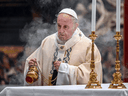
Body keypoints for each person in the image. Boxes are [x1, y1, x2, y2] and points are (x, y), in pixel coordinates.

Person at [24, 8, 102, 86]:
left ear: (75, 26)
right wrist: (33, 68)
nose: (61, 31)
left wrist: (65, 69)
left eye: (65, 27)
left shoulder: (88, 46)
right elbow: (36, 70)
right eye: (59, 26)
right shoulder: (47, 42)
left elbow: (93, 76)